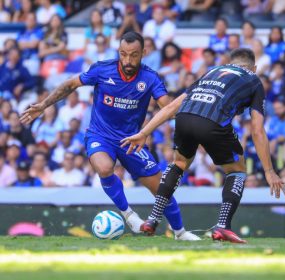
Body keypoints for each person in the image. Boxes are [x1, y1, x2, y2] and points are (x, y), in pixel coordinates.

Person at [20, 31, 199, 241]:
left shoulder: (150, 77)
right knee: (104, 168)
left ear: (144, 52)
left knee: (162, 189)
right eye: (123, 54)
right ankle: (129, 215)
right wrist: (43, 105)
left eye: (134, 55)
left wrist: (187, 101)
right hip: (100, 135)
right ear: (118, 52)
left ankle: (180, 233)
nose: (128, 60)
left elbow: (167, 109)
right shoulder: (102, 70)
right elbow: (70, 84)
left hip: (132, 140)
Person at [121, 48, 285, 243]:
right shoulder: (253, 79)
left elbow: (172, 107)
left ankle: (153, 218)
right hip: (212, 122)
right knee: (237, 170)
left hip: (184, 118)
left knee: (179, 163)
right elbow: (257, 130)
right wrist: (269, 170)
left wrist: (143, 132)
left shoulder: (212, 71)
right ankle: (223, 225)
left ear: (230, 63)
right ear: (254, 68)